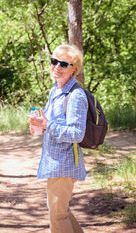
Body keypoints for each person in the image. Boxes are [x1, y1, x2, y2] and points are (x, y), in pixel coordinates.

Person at [28, 44, 87, 233]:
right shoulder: (56, 90)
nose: (57, 67)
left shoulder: (75, 95)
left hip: (65, 163)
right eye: (54, 62)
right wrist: (39, 126)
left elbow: (77, 133)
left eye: (64, 64)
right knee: (61, 212)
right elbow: (51, 125)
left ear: (74, 69)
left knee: (57, 216)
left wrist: (47, 125)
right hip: (54, 162)